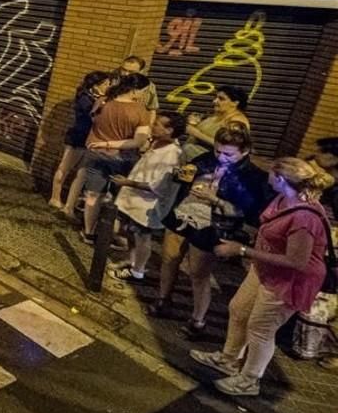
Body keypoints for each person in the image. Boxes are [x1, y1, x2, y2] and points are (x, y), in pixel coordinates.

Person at [190, 158, 335, 396]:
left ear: (280, 179)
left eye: (271, 174)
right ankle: (228, 360)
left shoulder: (303, 217)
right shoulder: (283, 198)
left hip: (288, 280)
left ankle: (249, 380)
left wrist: (243, 250)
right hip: (265, 268)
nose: (267, 177)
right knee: (239, 309)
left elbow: (296, 261)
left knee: (261, 328)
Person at [149, 123, 269, 338]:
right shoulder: (205, 160)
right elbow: (180, 178)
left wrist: (215, 199)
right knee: (169, 258)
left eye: (228, 154)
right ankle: (163, 299)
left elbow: (248, 211)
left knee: (198, 273)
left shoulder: (252, 176)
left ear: (245, 151)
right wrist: (182, 174)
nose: (221, 157)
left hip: (212, 226)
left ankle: (198, 320)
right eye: (218, 151)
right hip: (182, 213)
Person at [107, 112, 186, 282]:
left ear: (169, 130)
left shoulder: (172, 154)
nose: (153, 126)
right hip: (133, 200)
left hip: (147, 205)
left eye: (158, 124)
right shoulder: (157, 144)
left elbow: (159, 185)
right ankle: (131, 261)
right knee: (131, 233)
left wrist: (129, 183)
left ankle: (138, 270)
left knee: (142, 237)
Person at [76, 73, 153, 242]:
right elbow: (139, 141)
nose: (144, 95)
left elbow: (93, 120)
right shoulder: (140, 111)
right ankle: (112, 235)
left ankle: (89, 231)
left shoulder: (102, 101)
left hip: (96, 154)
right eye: (144, 91)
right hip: (123, 158)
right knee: (120, 196)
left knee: (93, 194)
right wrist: (112, 144)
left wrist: (103, 142)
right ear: (134, 90)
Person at [50, 71, 113, 210]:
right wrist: (100, 103)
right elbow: (91, 116)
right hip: (77, 138)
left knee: (81, 172)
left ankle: (71, 202)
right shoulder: (85, 98)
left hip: (88, 139)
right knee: (65, 168)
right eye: (106, 84)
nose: (109, 86)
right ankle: (55, 197)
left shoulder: (96, 97)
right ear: (96, 85)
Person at [183, 85, 251, 160]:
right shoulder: (218, 115)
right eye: (216, 97)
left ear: (235, 103)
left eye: (221, 99)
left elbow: (229, 147)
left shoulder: (237, 121)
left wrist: (196, 133)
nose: (214, 101)